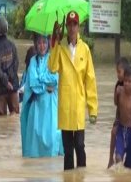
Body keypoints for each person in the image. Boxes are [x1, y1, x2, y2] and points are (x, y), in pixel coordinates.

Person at [48, 10, 98, 170]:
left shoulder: (85, 49)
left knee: (80, 145)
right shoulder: (60, 47)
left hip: (78, 106)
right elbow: (52, 67)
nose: (71, 27)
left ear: (79, 26)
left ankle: (81, 176)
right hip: (65, 107)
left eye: (74, 24)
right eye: (69, 24)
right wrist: (54, 41)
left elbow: (90, 80)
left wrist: (93, 110)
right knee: (68, 151)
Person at [20, 34, 64, 157]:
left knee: (53, 136)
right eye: (39, 43)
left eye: (44, 42)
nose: (42, 46)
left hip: (51, 105)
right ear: (35, 44)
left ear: (48, 43)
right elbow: (33, 84)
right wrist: (46, 85)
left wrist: (42, 79)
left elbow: (55, 79)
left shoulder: (54, 59)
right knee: (35, 137)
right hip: (37, 106)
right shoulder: (33, 61)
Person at [107, 57, 131, 168]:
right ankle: (111, 160)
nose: (118, 75)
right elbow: (116, 104)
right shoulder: (118, 85)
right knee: (114, 131)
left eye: (119, 72)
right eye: (117, 72)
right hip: (121, 113)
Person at [0, 15, 20, 115]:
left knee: (1, 119)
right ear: (7, 28)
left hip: (2, 89)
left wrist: (5, 81)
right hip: (13, 87)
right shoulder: (12, 45)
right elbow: (16, 64)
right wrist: (10, 81)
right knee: (15, 116)